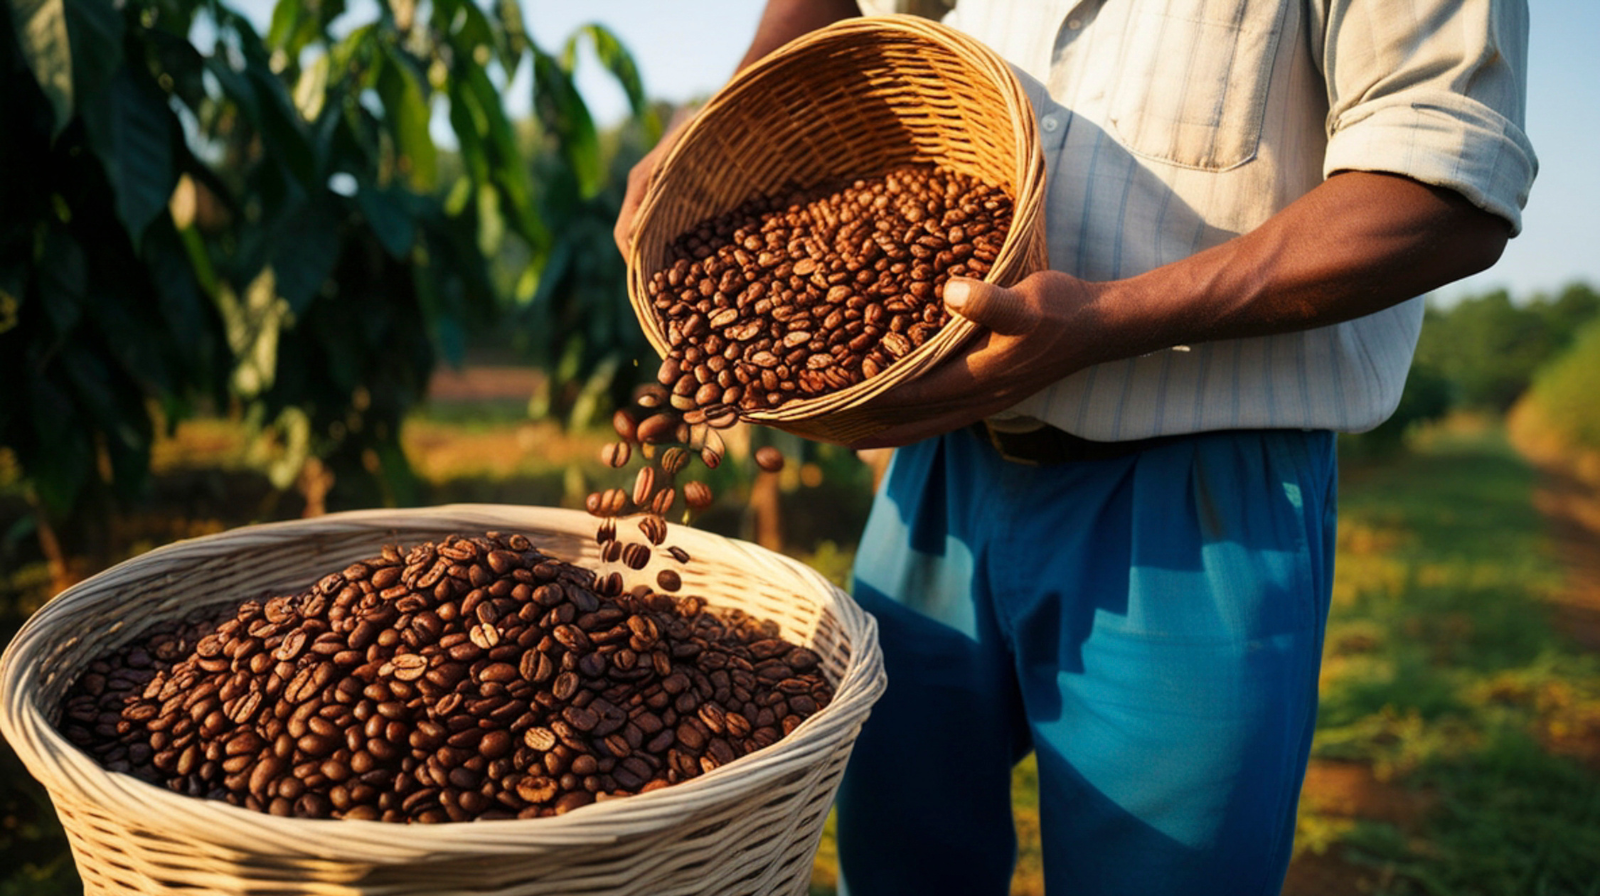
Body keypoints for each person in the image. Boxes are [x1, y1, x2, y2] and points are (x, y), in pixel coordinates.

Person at [614, 1, 1536, 893]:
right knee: (897, 850)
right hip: (938, 467)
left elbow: (1444, 188)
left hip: (1194, 499)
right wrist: (732, 114)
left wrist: (1103, 322)